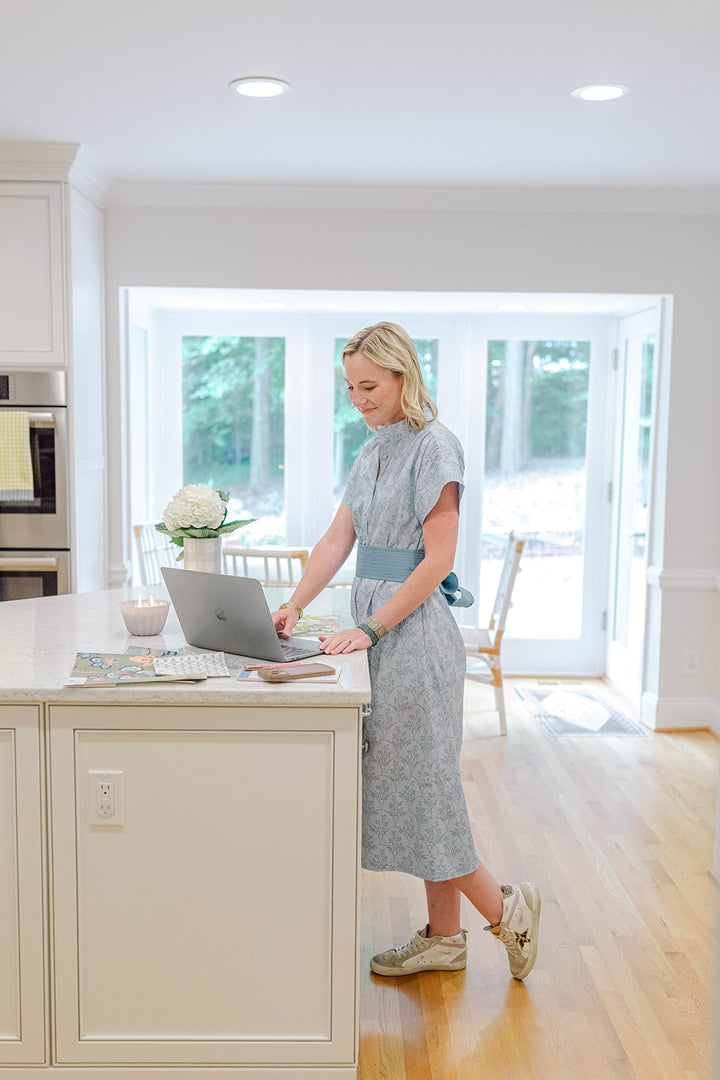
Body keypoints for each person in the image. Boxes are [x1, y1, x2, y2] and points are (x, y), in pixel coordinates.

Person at [271, 322, 540, 979]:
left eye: (370, 386)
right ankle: (445, 939)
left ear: (403, 378)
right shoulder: (373, 452)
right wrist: (295, 602)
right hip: (383, 635)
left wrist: (371, 628)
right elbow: (338, 539)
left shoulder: (434, 448)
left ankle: (511, 915)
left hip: (413, 641)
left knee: (430, 796)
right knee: (419, 795)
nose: (358, 399)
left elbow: (437, 559)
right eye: (351, 388)